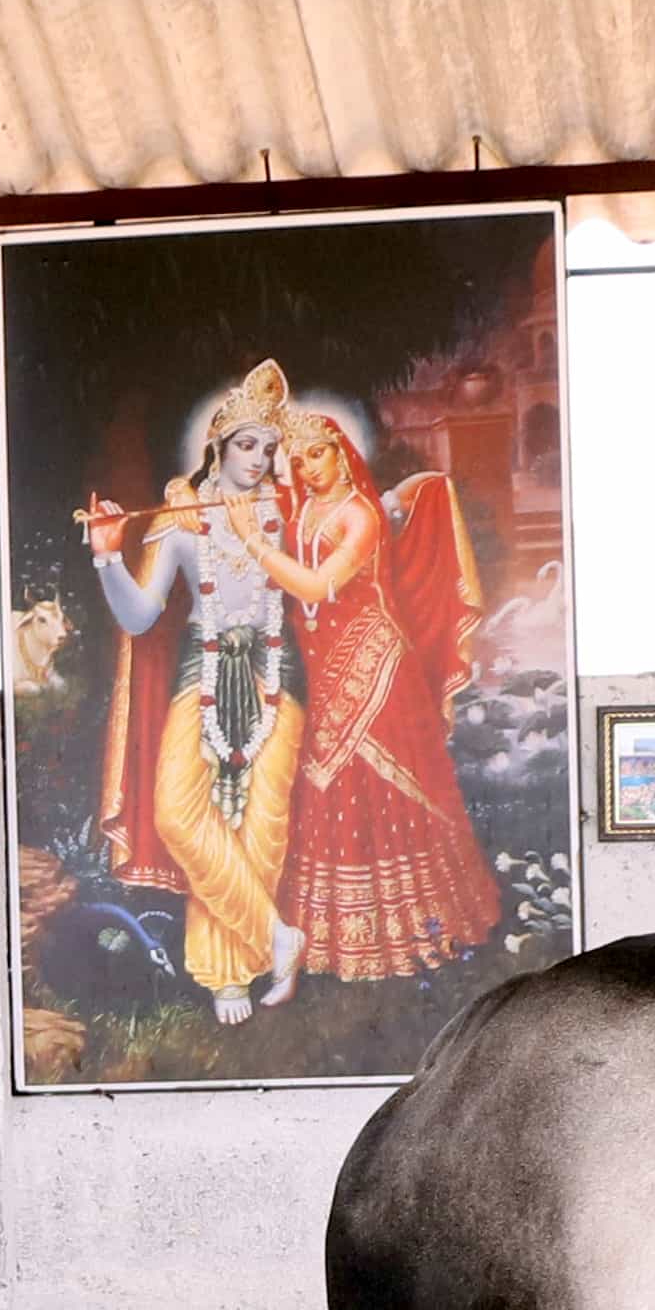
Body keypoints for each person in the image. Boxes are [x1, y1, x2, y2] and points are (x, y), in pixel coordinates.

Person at [217, 397, 502, 989]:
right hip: (320, 665)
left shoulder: (361, 515)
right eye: (297, 460)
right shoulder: (304, 508)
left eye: (318, 453)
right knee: (323, 786)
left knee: (377, 785)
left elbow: (318, 586)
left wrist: (253, 541)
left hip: (376, 665)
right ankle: (321, 936)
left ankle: (409, 931)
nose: (308, 468)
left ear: (342, 454)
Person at [76, 371, 300, 1020]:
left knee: (252, 830)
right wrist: (106, 557)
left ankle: (229, 977)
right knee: (181, 814)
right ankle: (276, 936)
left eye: (266, 448)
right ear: (217, 448)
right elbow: (142, 617)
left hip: (274, 678)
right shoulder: (181, 520)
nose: (257, 460)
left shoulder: (283, 515)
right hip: (198, 679)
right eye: (245, 446)